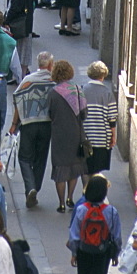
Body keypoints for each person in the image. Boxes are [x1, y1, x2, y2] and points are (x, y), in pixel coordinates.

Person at [68, 175, 122, 274]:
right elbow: (116, 236)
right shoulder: (111, 211)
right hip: (102, 252)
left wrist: (74, 253)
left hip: (84, 250)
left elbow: (74, 235)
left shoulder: (81, 209)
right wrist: (115, 254)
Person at [8, 51, 55, 208]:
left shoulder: (28, 80)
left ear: (38, 64)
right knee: (41, 158)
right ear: (50, 65)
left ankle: (30, 187)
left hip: (28, 123)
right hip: (47, 124)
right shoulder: (54, 81)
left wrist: (14, 123)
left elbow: (18, 100)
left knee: (25, 157)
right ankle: (35, 187)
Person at [48, 60, 89, 211]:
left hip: (59, 135)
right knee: (74, 167)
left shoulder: (53, 93)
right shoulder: (78, 90)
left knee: (60, 168)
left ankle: (61, 203)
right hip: (76, 133)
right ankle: (70, 197)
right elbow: (84, 113)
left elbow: (50, 113)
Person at [81, 61, 117, 181]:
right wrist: (113, 136)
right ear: (103, 75)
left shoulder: (82, 90)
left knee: (85, 167)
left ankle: (85, 191)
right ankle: (93, 192)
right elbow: (112, 118)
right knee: (96, 168)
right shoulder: (107, 93)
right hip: (102, 137)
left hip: (85, 136)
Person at [4, 0, 35, 76]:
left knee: (16, 50)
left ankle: (17, 75)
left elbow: (14, 7)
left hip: (17, 24)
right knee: (25, 51)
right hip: (27, 24)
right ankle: (23, 72)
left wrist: (6, 21)